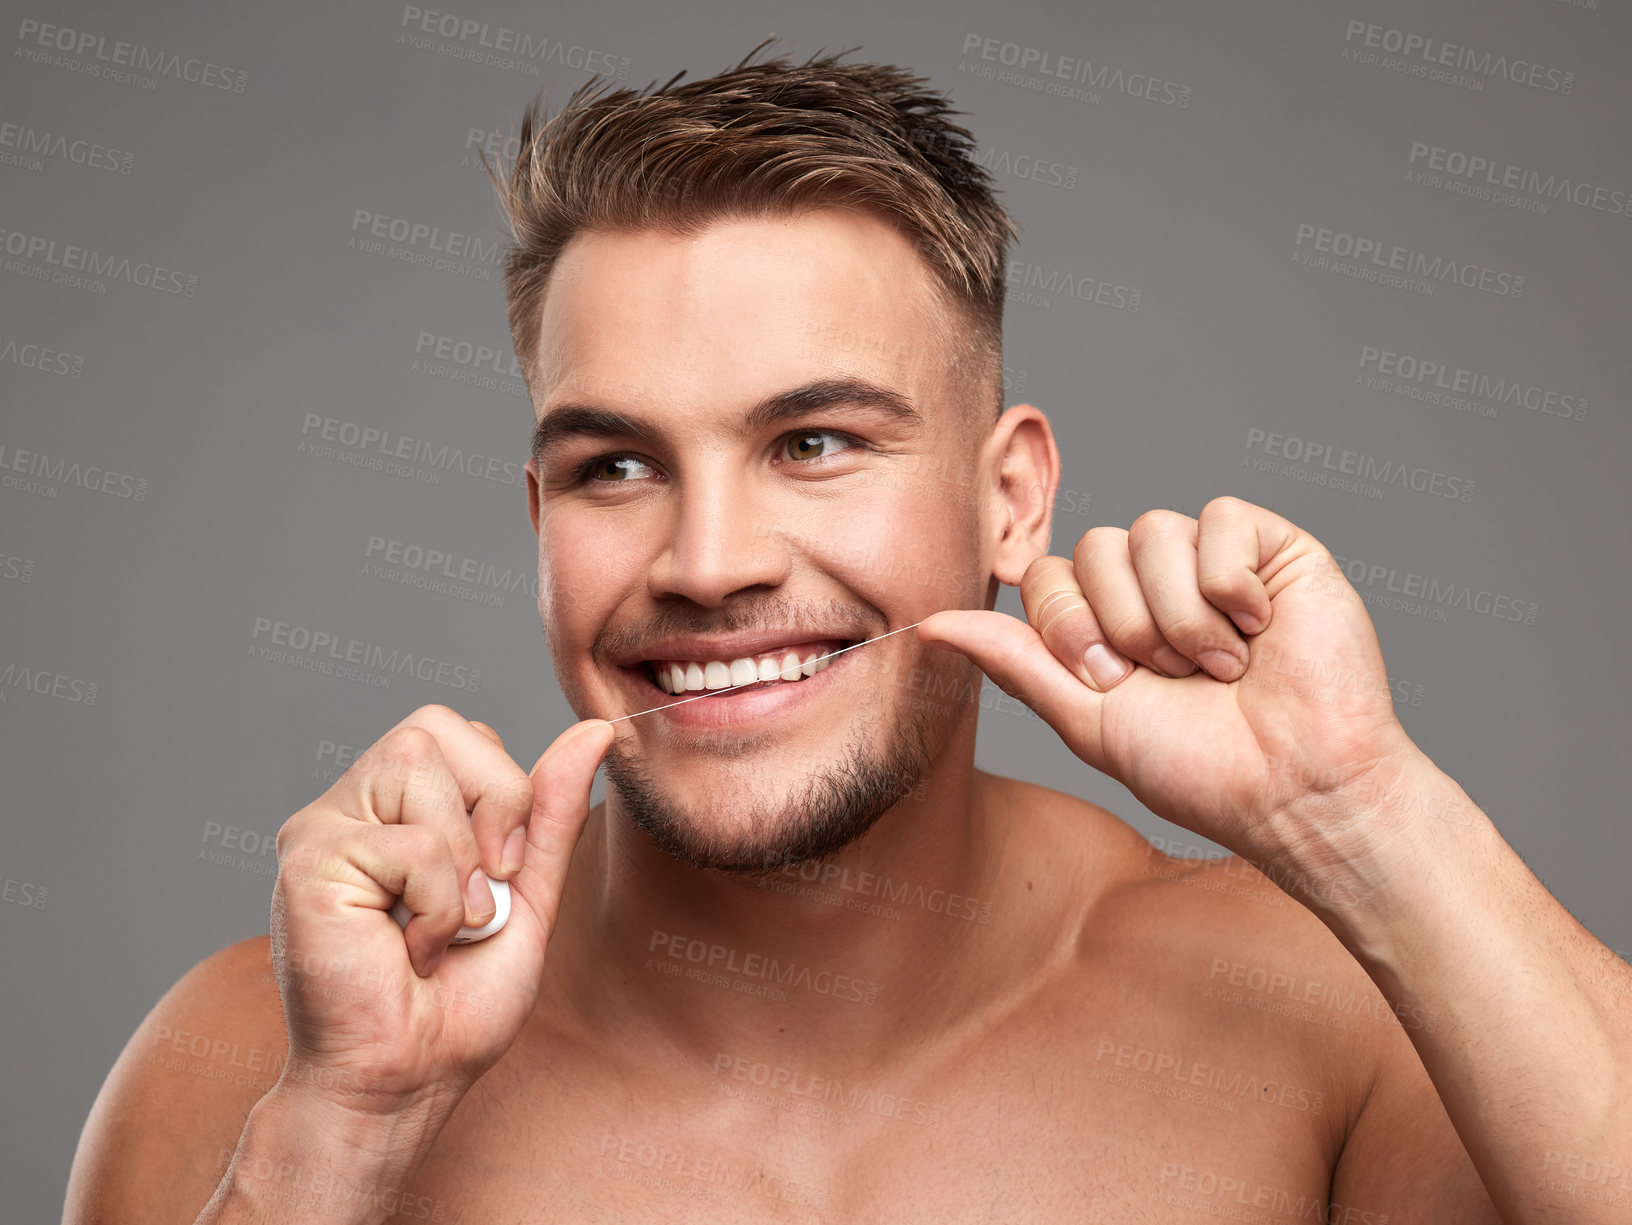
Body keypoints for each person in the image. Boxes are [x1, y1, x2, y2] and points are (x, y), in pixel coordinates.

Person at [64, 43, 1629, 1224]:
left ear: (1009, 498)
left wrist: (1366, 819)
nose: (709, 561)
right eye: (615, 465)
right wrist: (336, 1138)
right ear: (541, 525)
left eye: (813, 441)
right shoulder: (253, 1074)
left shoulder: (1325, 1021)